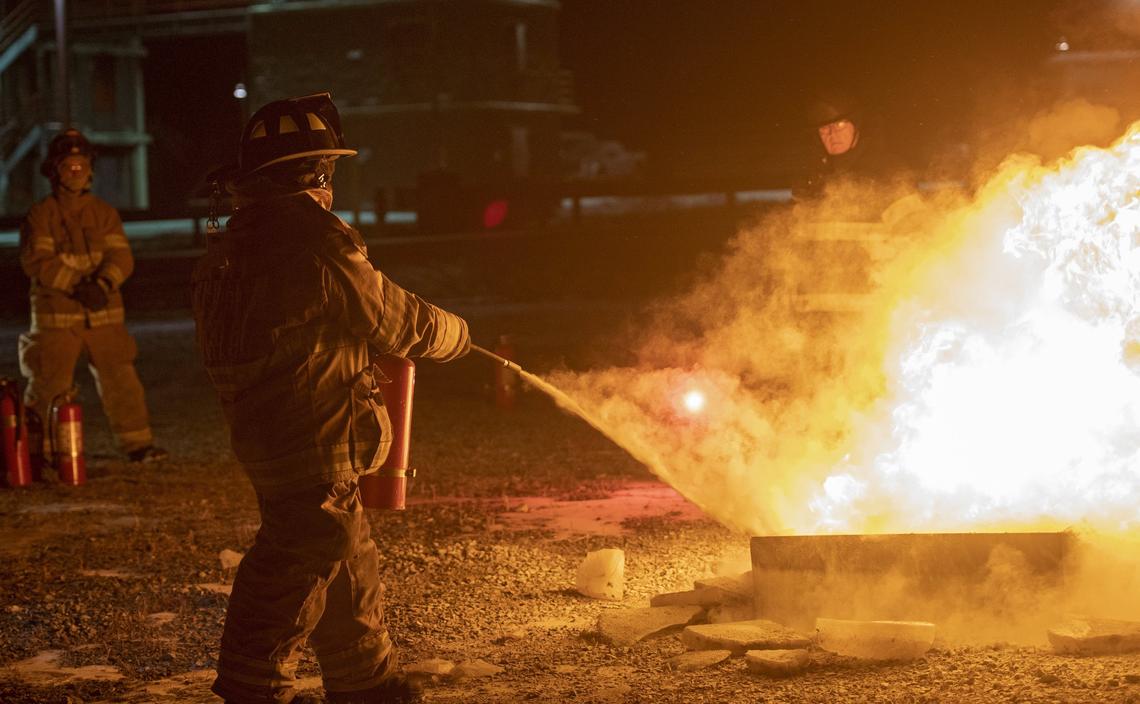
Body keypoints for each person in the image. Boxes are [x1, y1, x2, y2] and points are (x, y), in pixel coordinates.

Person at [191, 93, 470, 704]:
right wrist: (456, 334)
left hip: (263, 430)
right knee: (298, 554)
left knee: (345, 547)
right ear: (318, 173)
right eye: (328, 173)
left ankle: (365, 680)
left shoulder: (234, 243)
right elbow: (393, 321)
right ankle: (250, 687)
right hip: (314, 429)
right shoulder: (318, 237)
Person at [17, 128, 168, 464]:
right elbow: (36, 261)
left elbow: (122, 257)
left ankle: (138, 444)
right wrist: (77, 285)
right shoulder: (40, 214)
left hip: (103, 316)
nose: (75, 172)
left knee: (122, 383)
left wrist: (101, 285)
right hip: (57, 318)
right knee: (47, 385)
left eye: (80, 165)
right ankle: (36, 454)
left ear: (90, 169)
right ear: (53, 170)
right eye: (68, 166)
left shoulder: (104, 213)